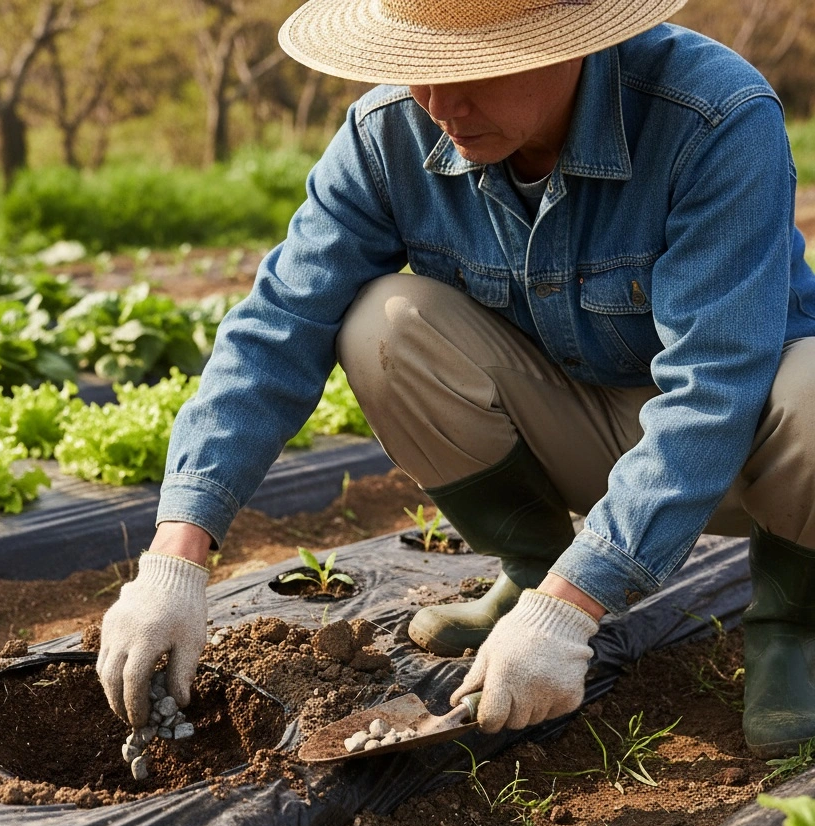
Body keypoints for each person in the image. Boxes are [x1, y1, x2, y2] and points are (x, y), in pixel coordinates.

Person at [97, 0, 815, 758]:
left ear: (566, 45)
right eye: (419, 72)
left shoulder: (711, 116)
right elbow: (280, 324)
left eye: (471, 72)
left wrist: (575, 607)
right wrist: (176, 553)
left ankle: (793, 627)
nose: (441, 106)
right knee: (384, 323)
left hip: (748, 459)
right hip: (577, 430)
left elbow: (715, 387)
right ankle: (532, 572)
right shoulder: (389, 135)